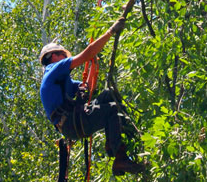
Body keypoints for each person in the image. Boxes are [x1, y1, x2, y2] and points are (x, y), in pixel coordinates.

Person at [39, 17, 144, 175]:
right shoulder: (54, 69)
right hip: (71, 123)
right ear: (53, 56)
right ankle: (120, 156)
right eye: (62, 54)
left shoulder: (61, 80)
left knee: (110, 95)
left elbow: (86, 89)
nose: (65, 58)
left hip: (75, 118)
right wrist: (110, 32)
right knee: (113, 109)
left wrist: (94, 67)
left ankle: (112, 144)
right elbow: (85, 54)